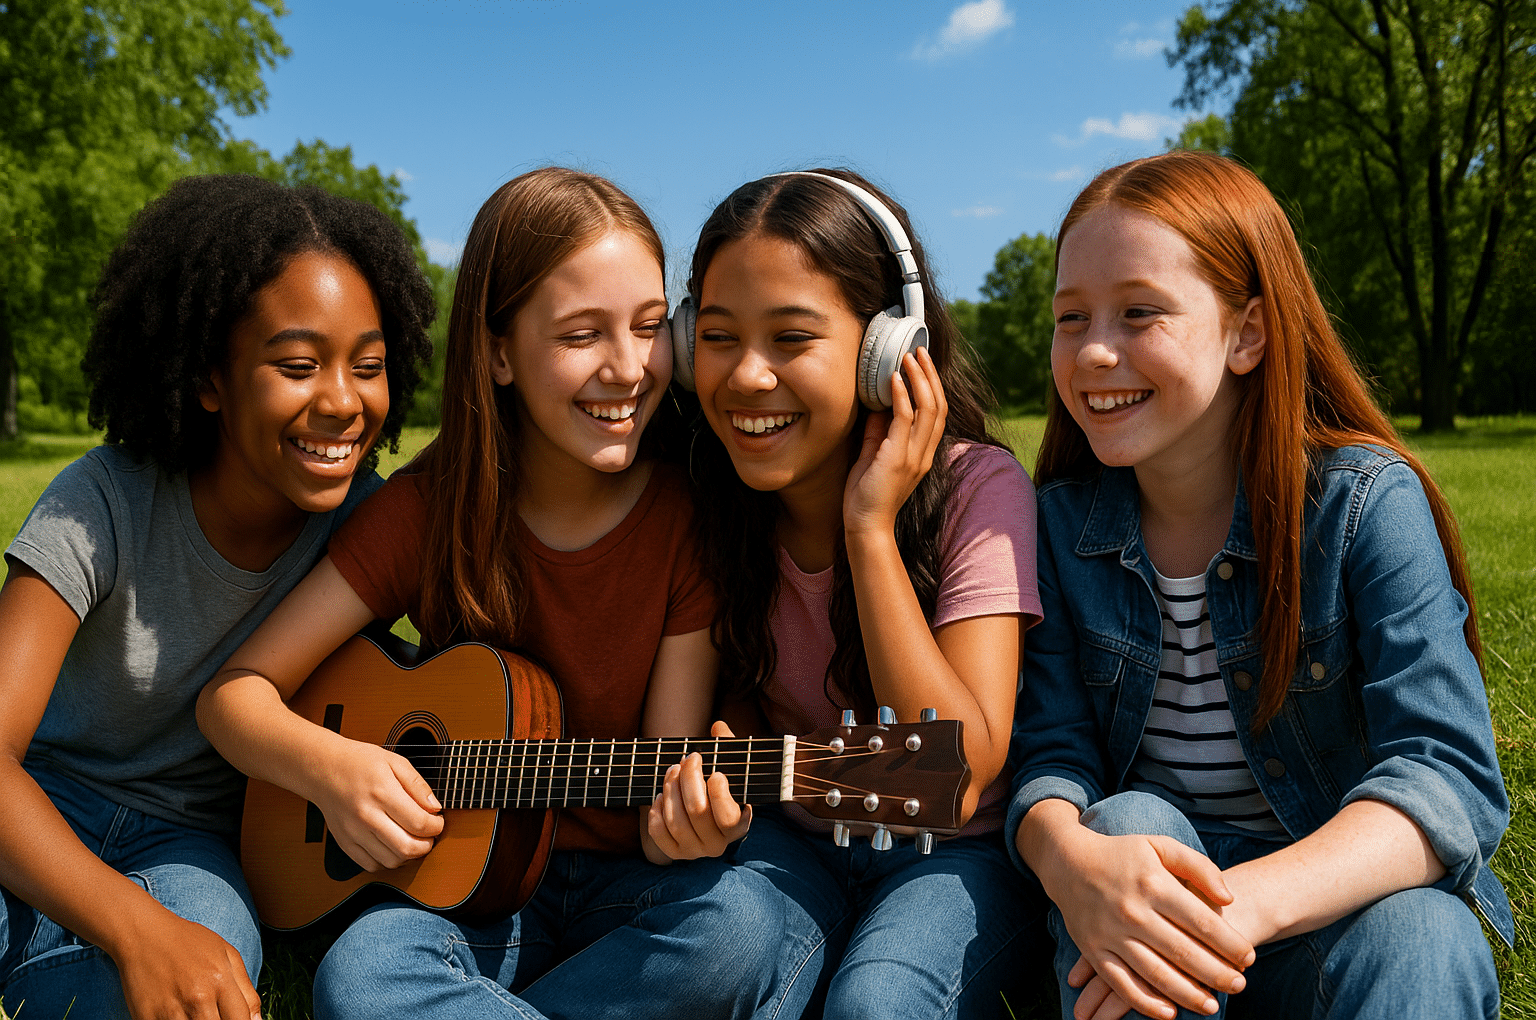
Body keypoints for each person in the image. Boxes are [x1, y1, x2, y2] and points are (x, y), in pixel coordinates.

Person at [197, 166, 782, 1020]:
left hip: (628, 890)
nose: (627, 368)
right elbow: (233, 697)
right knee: (361, 976)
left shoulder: (684, 517)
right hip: (469, 899)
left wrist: (693, 817)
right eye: (582, 335)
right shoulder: (426, 515)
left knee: (742, 929)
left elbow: (668, 770)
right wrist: (336, 770)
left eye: (651, 327)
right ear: (499, 351)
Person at [1007, 151, 1510, 1020]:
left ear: (1247, 332)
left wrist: (1237, 911)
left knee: (1428, 935)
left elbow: (1445, 774)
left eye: (1139, 313)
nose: (1094, 350)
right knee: (1125, 827)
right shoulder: (1054, 524)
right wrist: (1067, 863)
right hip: (1152, 908)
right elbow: (1050, 756)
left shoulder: (1360, 505)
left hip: (1335, 906)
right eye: (1070, 317)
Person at [0, 174, 436, 1020]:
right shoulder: (102, 503)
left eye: (370, 366)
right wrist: (132, 929)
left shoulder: (374, 526)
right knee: (158, 948)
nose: (344, 401)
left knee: (215, 959)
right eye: (298, 365)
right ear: (209, 379)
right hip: (38, 806)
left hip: (189, 846)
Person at [676, 168, 1047, 1020]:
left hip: (954, 856)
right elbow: (720, 728)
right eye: (721, 337)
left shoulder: (977, 490)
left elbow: (955, 765)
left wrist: (870, 530)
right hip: (792, 843)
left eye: (792, 339)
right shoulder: (709, 496)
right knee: (712, 947)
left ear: (889, 352)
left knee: (877, 1003)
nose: (747, 377)